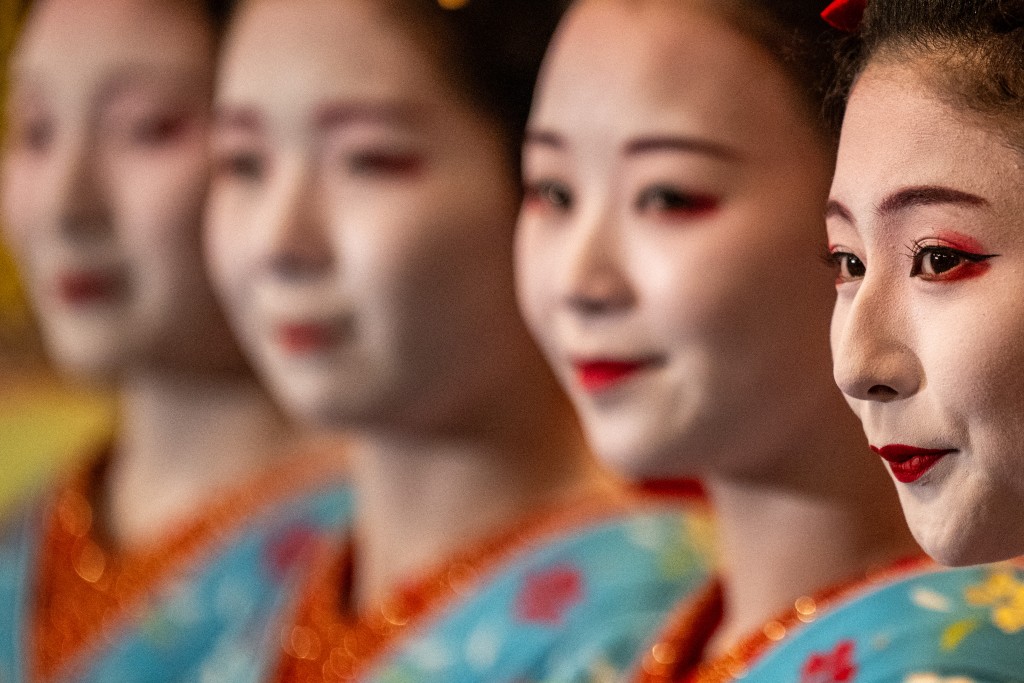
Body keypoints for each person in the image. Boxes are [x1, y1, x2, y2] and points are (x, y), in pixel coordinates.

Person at [204, 0, 713, 680]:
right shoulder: (263, 582)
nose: (278, 242)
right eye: (242, 163)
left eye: (368, 160)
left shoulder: (652, 628)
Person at [517, 0, 1024, 679]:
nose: (580, 280)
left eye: (669, 196)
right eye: (551, 190)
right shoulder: (630, 631)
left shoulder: (948, 655)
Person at [0, 1, 353, 680]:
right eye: (34, 130)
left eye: (147, 129)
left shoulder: (377, 563)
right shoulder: (28, 525)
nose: (67, 204)